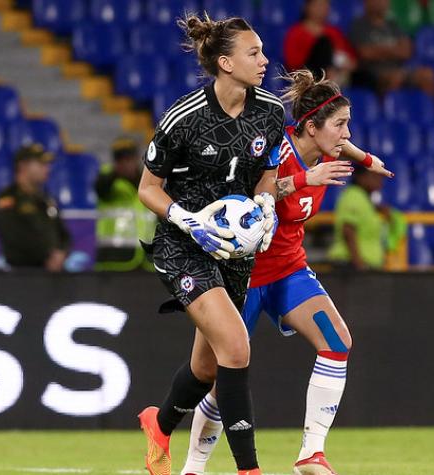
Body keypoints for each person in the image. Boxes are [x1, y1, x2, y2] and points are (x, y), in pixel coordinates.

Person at [179, 70, 393, 475]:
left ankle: (311, 454)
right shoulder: (273, 150)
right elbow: (249, 194)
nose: (347, 133)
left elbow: (347, 146)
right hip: (240, 276)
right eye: (340, 124)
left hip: (288, 268)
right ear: (310, 127)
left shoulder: (329, 149)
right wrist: (302, 181)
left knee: (337, 340)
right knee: (220, 377)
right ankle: (194, 465)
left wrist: (368, 160)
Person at [136, 13, 286, 475]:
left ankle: (158, 425)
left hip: (234, 253)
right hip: (184, 245)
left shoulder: (272, 113)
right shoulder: (185, 117)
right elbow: (147, 187)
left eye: (261, 51)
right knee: (237, 350)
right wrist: (188, 220)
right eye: (253, 52)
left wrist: (266, 212)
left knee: (206, 368)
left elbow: (268, 178)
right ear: (225, 62)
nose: (264, 61)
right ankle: (249, 470)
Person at [0, 143, 70, 272]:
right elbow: (14, 237)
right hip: (24, 275)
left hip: (54, 274)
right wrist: (47, 256)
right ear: (22, 166)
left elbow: (64, 233)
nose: (47, 169)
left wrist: (61, 254)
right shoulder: (8, 200)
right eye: (41, 164)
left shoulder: (46, 200)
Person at [348, 0, 434, 96]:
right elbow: (365, 53)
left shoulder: (393, 25)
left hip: (400, 70)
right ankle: (389, 109)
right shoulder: (359, 25)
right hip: (373, 74)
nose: (381, 3)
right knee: (395, 78)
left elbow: (406, 52)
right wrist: (394, 50)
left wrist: (379, 50)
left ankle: (428, 109)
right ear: (367, 2)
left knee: (427, 75)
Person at [94, 137, 157, 271]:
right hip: (114, 260)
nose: (126, 164)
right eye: (121, 160)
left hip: (146, 261)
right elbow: (101, 188)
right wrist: (115, 173)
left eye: (129, 159)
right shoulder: (107, 180)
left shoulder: (149, 181)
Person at [328, 165, 406, 270]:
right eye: (374, 176)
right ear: (361, 177)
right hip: (351, 268)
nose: (380, 180)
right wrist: (359, 264)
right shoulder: (353, 196)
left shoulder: (366, 200)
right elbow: (348, 231)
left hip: (365, 266)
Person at [283, 0, 358, 86]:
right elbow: (293, 64)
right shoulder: (296, 33)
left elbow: (351, 60)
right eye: (318, 5)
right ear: (307, 7)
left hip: (337, 73)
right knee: (323, 43)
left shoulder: (334, 32)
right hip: (308, 75)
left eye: (325, 5)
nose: (321, 9)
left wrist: (347, 64)